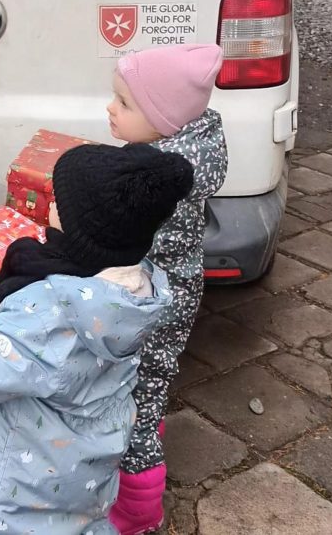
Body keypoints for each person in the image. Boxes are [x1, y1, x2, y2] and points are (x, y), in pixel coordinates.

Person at [0, 143, 194, 535]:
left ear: (83, 228)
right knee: (86, 523)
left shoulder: (49, 314)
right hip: (93, 462)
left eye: (59, 199)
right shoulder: (133, 288)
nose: (50, 202)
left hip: (32, 481)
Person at [104, 44, 228, 535]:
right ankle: (148, 431)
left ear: (164, 120)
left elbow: (117, 238)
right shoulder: (180, 154)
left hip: (150, 302)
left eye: (125, 104)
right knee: (151, 384)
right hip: (176, 296)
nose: (110, 109)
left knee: (130, 399)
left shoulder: (157, 180)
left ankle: (136, 509)